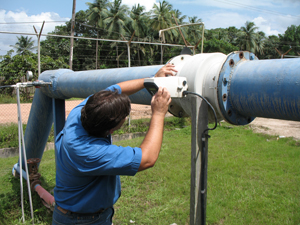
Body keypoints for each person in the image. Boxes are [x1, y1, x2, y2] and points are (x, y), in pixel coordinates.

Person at [52, 64, 178, 225]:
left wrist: (152, 80)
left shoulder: (84, 111)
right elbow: (147, 158)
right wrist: (159, 113)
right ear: (111, 130)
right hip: (81, 220)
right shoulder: (88, 151)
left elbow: (117, 88)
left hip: (82, 214)